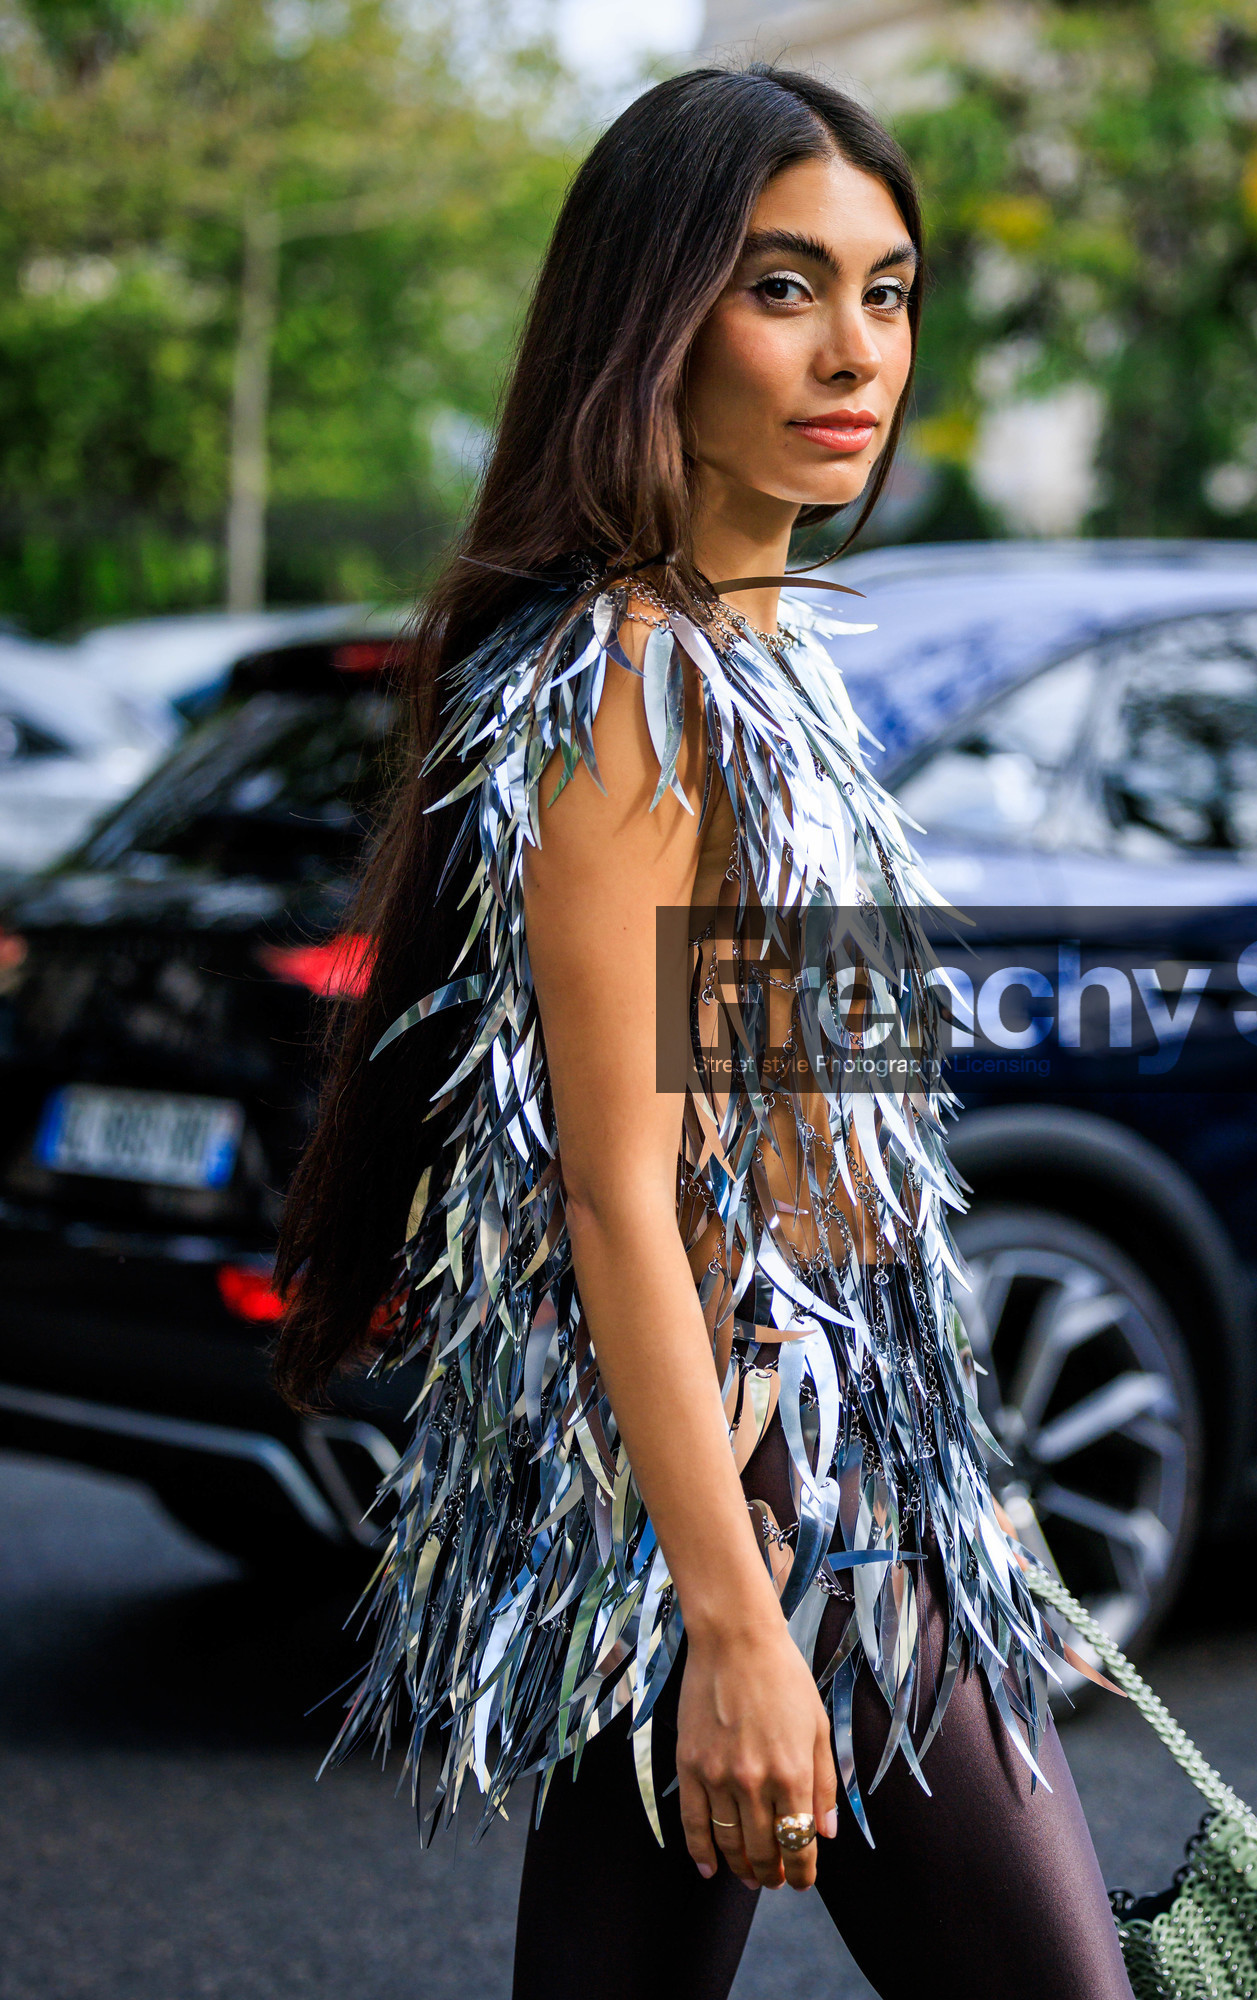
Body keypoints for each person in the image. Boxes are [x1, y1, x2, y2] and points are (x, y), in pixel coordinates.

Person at [272, 65, 1135, 2000]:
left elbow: (819, 1180)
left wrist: (966, 1483)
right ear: (651, 320)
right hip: (762, 1526)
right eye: (782, 286)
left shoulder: (758, 672)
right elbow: (618, 1201)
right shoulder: (632, 692)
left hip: (831, 1484)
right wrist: (743, 1623)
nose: (856, 352)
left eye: (889, 290)